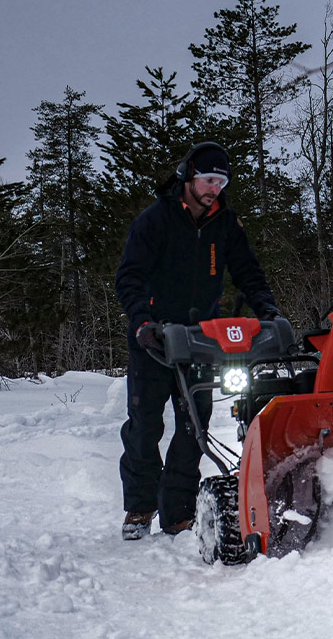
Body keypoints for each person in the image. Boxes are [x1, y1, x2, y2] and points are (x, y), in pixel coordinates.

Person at [114, 141, 279, 540]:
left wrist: (268, 312)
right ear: (188, 176)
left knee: (194, 427)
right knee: (145, 427)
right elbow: (130, 277)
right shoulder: (155, 220)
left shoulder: (226, 223)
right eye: (208, 180)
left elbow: (248, 272)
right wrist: (142, 323)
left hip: (201, 339)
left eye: (221, 182)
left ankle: (178, 512)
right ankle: (140, 508)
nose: (214, 188)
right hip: (154, 339)